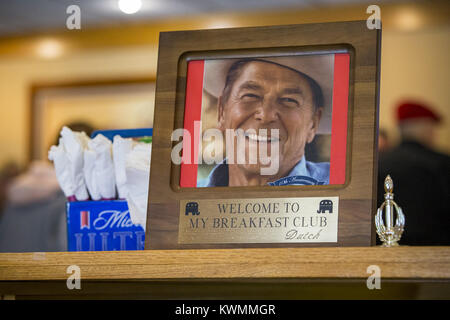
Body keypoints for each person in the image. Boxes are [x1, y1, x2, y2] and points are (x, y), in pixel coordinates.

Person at [199, 58, 330, 187]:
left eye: (289, 100)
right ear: (222, 111)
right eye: (250, 95)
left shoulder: (342, 192)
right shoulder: (183, 201)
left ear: (313, 124)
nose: (266, 115)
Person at [377, 101, 450, 245]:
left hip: (387, 247)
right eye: (431, 128)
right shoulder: (440, 163)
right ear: (423, 127)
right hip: (435, 248)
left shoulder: (379, 162)